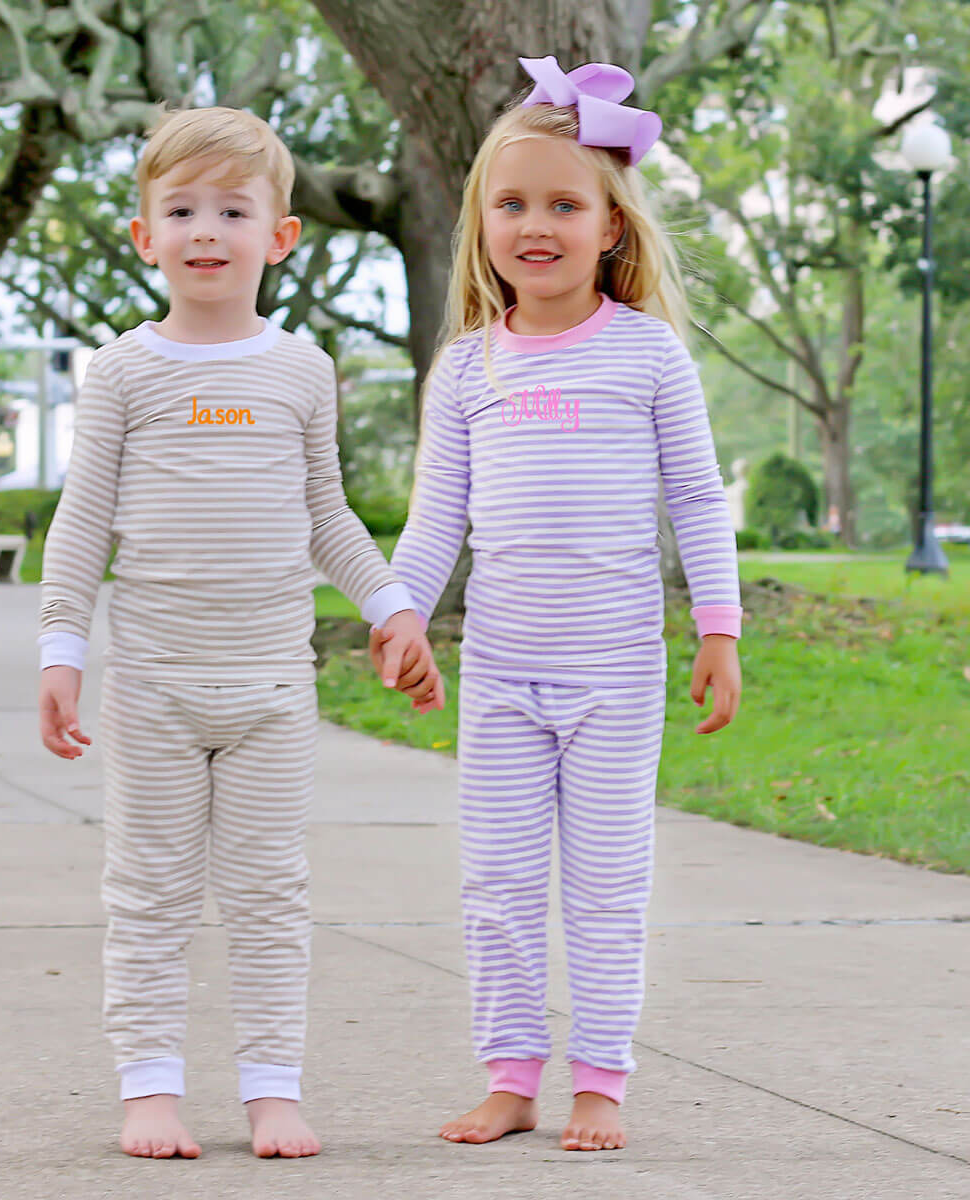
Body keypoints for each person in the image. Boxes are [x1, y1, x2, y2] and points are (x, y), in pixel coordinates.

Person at [36, 105, 438, 1161]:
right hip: (156, 686)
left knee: (269, 895)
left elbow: (326, 516)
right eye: (180, 210)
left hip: (271, 689)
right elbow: (82, 522)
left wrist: (392, 605)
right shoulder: (123, 372)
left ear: (281, 236)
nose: (205, 230)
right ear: (144, 237)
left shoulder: (301, 370)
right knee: (150, 892)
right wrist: (61, 649)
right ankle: (151, 1088)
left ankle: (271, 1088)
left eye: (231, 208)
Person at [372, 57, 743, 1152]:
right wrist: (401, 614)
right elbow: (436, 520)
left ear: (612, 228)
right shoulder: (467, 370)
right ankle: (510, 1074)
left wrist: (719, 631)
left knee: (606, 888)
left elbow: (699, 504)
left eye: (565, 204)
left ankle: (600, 1083)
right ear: (482, 219)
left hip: (616, 677)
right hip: (499, 675)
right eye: (513, 202)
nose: (537, 225)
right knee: (495, 885)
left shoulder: (648, 356)